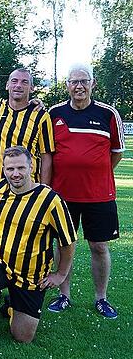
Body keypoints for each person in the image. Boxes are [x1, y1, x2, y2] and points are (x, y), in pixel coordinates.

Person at [0, 146, 76, 352]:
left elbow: (68, 241)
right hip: (0, 261)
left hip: (32, 275)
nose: (15, 174)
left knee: (22, 337)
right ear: (3, 168)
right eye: (10, 169)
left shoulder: (50, 200)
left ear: (31, 166)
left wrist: (60, 274)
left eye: (20, 168)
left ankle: (11, 305)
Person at [46, 64, 126, 319]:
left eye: (84, 81)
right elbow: (47, 152)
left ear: (93, 83)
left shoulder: (108, 114)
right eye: (73, 82)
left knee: (99, 246)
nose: (78, 86)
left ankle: (101, 298)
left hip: (99, 195)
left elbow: (116, 153)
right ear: (67, 85)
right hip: (63, 196)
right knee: (63, 244)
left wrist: (96, 173)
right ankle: (63, 295)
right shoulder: (54, 113)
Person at [0, 68, 54, 182]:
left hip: (28, 188)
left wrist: (44, 189)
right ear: (7, 85)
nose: (18, 85)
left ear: (32, 88)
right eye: (14, 81)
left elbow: (46, 156)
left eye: (24, 82)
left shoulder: (41, 116)